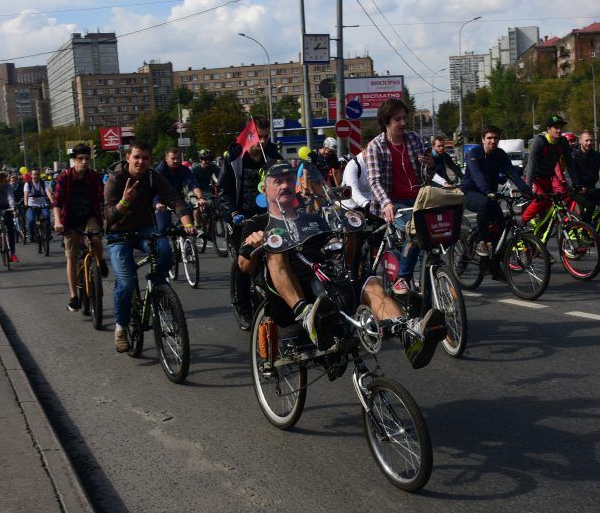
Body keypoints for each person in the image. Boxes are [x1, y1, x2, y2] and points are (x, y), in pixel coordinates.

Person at [237, 163, 446, 368]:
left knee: (369, 282)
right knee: (276, 248)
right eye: (278, 181)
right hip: (287, 298)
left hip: (325, 284)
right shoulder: (257, 224)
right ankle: (307, 315)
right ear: (265, 189)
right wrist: (254, 242)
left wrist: (348, 226)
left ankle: (407, 332)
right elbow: (243, 266)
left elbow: (341, 254)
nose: (285, 185)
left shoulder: (311, 218)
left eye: (289, 180)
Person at [104, 142, 194, 353]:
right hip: (118, 235)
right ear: (128, 157)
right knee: (125, 285)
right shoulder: (115, 179)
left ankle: (158, 286)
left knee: (164, 250)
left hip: (143, 230)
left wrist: (187, 223)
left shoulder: (153, 177)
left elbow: (174, 198)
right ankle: (121, 327)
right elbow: (109, 217)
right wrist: (124, 202)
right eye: (137, 157)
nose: (141, 161)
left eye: (145, 158)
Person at [218, 115, 286, 329]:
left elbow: (285, 181)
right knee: (244, 260)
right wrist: (232, 213)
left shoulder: (273, 155)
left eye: (266, 137)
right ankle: (243, 306)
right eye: (260, 137)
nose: (263, 141)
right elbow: (223, 192)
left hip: (271, 216)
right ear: (249, 137)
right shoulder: (234, 159)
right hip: (243, 219)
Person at [362, 98, 433, 295]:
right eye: (397, 119)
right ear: (386, 122)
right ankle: (402, 278)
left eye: (404, 118)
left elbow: (425, 175)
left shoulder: (413, 139)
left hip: (419, 199)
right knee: (415, 231)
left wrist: (429, 164)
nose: (403, 123)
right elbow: (374, 181)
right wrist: (386, 204)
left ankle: (428, 303)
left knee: (430, 247)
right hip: (396, 204)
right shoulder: (375, 146)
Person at [462, 125, 531, 256]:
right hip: (470, 192)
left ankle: (494, 261)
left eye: (496, 138)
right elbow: (477, 175)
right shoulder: (474, 153)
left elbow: (512, 173)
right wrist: (488, 191)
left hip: (490, 195)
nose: (493, 141)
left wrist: (526, 190)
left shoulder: (500, 154)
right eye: (489, 138)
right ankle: (482, 242)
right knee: (484, 204)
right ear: (483, 139)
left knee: (501, 223)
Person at [54, 145, 106, 312]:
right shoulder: (65, 177)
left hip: (90, 215)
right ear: (74, 160)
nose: (84, 162)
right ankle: (73, 296)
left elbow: (103, 197)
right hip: (70, 219)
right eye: (80, 159)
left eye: (86, 159)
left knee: (96, 238)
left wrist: (106, 219)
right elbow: (57, 203)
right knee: (72, 256)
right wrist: (57, 221)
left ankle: (99, 260)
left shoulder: (94, 176)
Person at [522, 113, 573, 226]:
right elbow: (531, 165)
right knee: (541, 200)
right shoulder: (539, 142)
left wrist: (576, 182)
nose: (559, 130)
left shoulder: (563, 142)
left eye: (561, 128)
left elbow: (570, 164)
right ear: (548, 129)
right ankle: (522, 222)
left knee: (553, 202)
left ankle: (541, 230)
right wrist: (527, 187)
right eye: (556, 128)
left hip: (547, 176)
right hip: (533, 176)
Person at [155, 147, 206, 229]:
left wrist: (200, 198)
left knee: (189, 219)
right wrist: (157, 202)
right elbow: (155, 189)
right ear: (166, 159)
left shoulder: (183, 169)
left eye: (178, 158)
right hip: (161, 201)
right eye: (173, 158)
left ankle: (185, 238)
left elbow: (193, 184)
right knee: (162, 227)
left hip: (177, 199)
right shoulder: (159, 171)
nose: (176, 161)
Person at [569, 131, 600, 223]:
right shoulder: (573, 155)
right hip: (576, 189)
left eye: (591, 140)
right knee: (590, 206)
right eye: (586, 140)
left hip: (590, 188)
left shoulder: (596, 155)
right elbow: (568, 174)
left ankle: (593, 221)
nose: (589, 143)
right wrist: (577, 186)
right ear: (580, 141)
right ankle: (585, 229)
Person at [23, 168, 51, 240]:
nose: (36, 176)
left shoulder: (43, 183)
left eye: (38, 174)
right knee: (31, 220)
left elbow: (48, 192)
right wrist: (26, 204)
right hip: (31, 206)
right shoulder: (27, 184)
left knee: (47, 216)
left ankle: (48, 233)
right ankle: (31, 235)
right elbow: (26, 195)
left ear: (40, 175)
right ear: (31, 175)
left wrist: (52, 201)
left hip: (42, 205)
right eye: (34, 174)